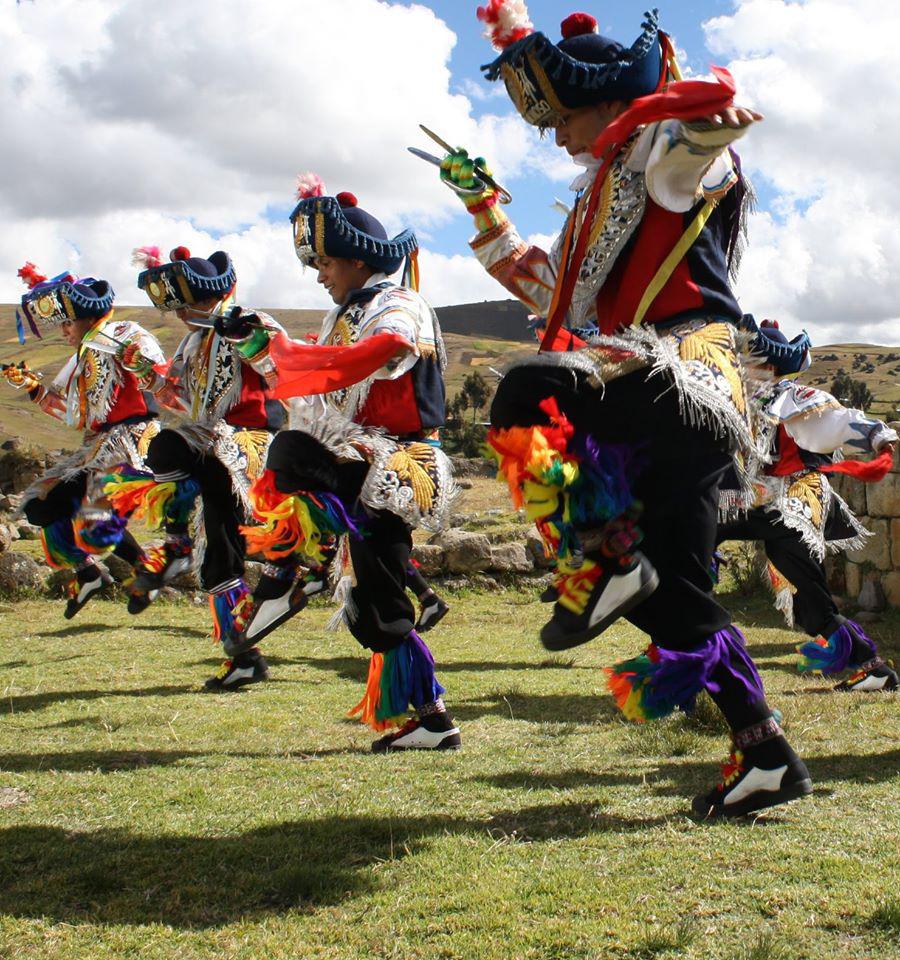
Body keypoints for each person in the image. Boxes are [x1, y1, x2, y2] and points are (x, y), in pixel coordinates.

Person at [437, 4, 811, 816]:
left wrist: (701, 114)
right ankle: (766, 755)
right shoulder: (595, 203)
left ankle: (602, 553)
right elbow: (548, 289)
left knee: (522, 392)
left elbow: (701, 140)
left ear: (609, 103)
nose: (558, 137)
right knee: (671, 596)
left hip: (683, 383)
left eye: (564, 116)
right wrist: (480, 207)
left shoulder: (653, 159)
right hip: (660, 411)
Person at [223, 179, 460, 751]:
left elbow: (375, 356)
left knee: (291, 455)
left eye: (326, 262)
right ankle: (432, 721)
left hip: (395, 463)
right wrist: (261, 346)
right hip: (358, 462)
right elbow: (308, 389)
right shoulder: (343, 316)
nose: (319, 274)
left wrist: (289, 351)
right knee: (371, 601)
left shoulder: (397, 305)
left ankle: (290, 573)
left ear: (358, 260)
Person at [104, 247, 284, 691]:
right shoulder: (190, 342)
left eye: (189, 304)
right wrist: (147, 374)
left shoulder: (249, 320)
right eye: (177, 307)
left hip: (247, 443)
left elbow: (284, 371)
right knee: (217, 556)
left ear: (210, 295)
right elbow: (178, 398)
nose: (182, 314)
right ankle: (244, 656)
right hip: (209, 449)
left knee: (167, 445)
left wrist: (249, 341)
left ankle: (177, 543)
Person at [717, 317, 898, 692]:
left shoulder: (789, 398)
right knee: (699, 529)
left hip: (794, 500)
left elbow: (835, 422)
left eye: (747, 360)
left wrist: (877, 436)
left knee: (810, 598)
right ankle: (694, 631)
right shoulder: (738, 402)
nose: (740, 366)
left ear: (769, 366)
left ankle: (873, 667)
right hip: (758, 502)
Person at [4, 263, 163, 618]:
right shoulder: (81, 358)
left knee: (95, 518)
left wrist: (139, 362)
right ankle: (90, 573)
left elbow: (156, 372)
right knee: (42, 506)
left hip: (133, 443)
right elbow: (78, 417)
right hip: (99, 445)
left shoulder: (122, 334)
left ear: (86, 317)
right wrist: (34, 388)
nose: (62, 331)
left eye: (66, 322)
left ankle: (146, 570)